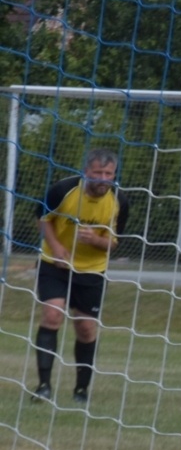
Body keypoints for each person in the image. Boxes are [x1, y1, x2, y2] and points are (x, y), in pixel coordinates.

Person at [31, 148, 128, 405]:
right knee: (52, 314)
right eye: (98, 173)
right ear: (86, 171)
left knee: (85, 328)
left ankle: (81, 390)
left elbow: (113, 244)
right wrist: (56, 247)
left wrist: (95, 239)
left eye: (108, 174)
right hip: (55, 264)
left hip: (92, 270)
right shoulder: (63, 190)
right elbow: (42, 219)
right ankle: (43, 387)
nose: (103, 179)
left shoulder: (119, 200)